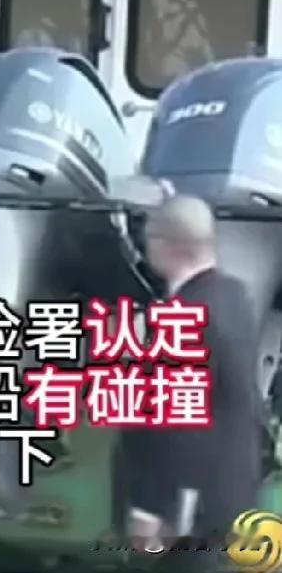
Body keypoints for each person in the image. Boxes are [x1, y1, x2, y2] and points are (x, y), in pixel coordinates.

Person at [121, 194, 263, 559]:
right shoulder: (234, 296)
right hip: (232, 492)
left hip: (190, 507)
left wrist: (152, 509)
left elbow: (177, 422)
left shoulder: (184, 318)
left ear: (164, 245)